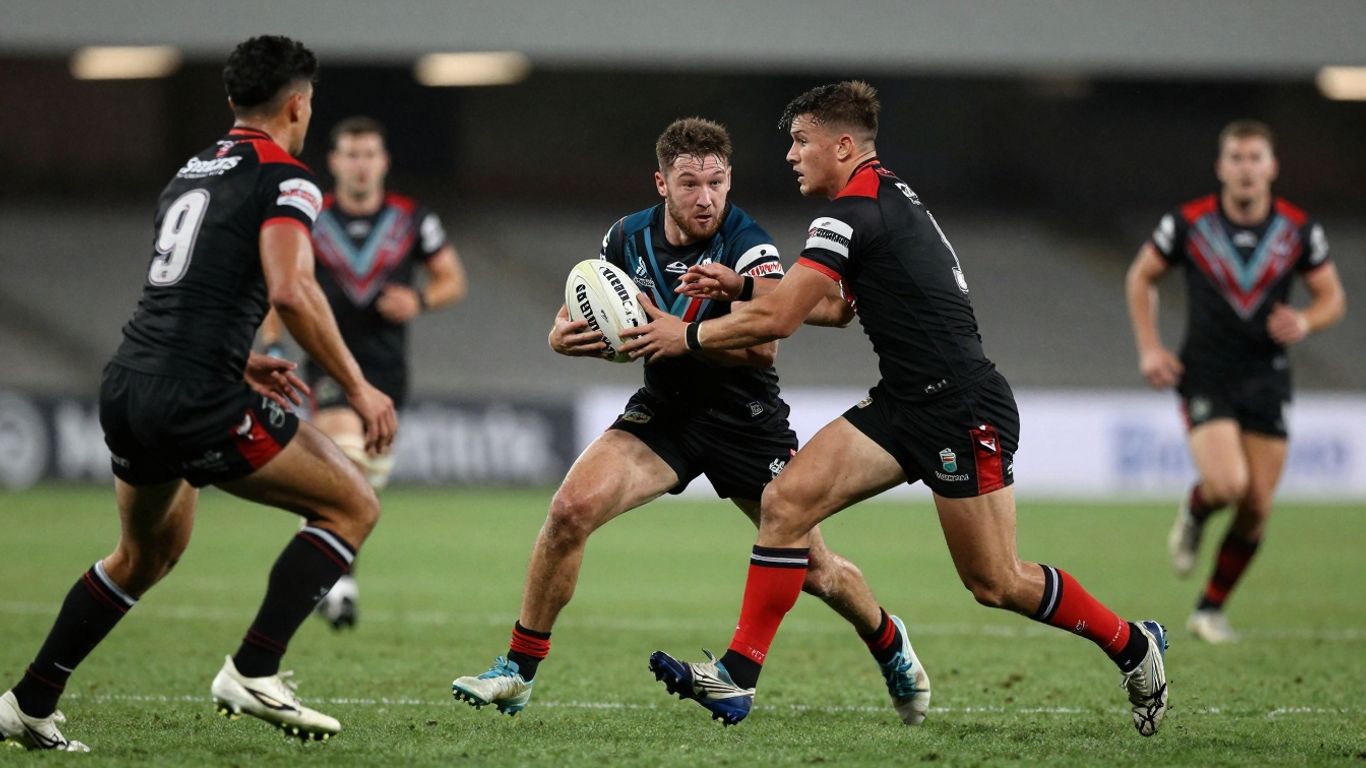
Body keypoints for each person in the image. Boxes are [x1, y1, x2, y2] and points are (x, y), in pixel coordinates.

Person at [621, 82, 1169, 737]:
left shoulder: (851, 213)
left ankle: (1132, 644)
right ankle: (738, 676)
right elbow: (835, 308)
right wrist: (741, 283)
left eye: (801, 141)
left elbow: (781, 320)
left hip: (962, 409)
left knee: (995, 582)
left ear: (841, 146)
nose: (791, 155)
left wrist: (685, 335)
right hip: (904, 402)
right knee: (785, 502)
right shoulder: (883, 197)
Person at [450, 117, 930, 727]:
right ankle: (517, 671)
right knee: (569, 511)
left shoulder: (748, 243)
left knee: (815, 569)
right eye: (690, 184)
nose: (706, 198)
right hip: (666, 413)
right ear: (662, 184)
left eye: (716, 183)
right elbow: (585, 303)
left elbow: (763, 348)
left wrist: (683, 336)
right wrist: (560, 335)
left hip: (745, 421)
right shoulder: (625, 237)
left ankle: (889, 642)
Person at [0, 36, 398, 751]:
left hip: (130, 383)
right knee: (352, 505)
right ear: (298, 104)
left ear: (233, 100)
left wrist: (241, 361)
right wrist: (359, 386)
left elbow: (182, 295)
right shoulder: (288, 178)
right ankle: (254, 669)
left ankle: (28, 703)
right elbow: (292, 290)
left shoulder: (190, 173)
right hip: (194, 396)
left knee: (143, 556)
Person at [1125, 120, 1346, 644]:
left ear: (1272, 167)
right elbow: (1141, 276)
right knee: (1227, 485)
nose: (1246, 168)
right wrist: (1150, 347)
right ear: (1221, 167)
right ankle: (1196, 509)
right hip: (1206, 371)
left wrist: (1306, 320)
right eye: (1237, 158)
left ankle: (1209, 609)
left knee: (1257, 507)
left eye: (1255, 158)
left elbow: (1333, 298)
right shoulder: (1188, 223)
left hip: (1267, 376)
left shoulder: (1298, 230)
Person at [260, 116, 467, 630]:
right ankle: (338, 585)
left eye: (369, 154)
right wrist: (272, 344)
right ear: (334, 162)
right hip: (327, 363)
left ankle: (323, 558)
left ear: (383, 162)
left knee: (363, 485)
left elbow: (451, 279)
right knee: (346, 459)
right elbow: (278, 285)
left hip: (389, 372)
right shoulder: (308, 217)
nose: (360, 164)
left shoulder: (412, 219)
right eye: (351, 154)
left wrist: (419, 299)